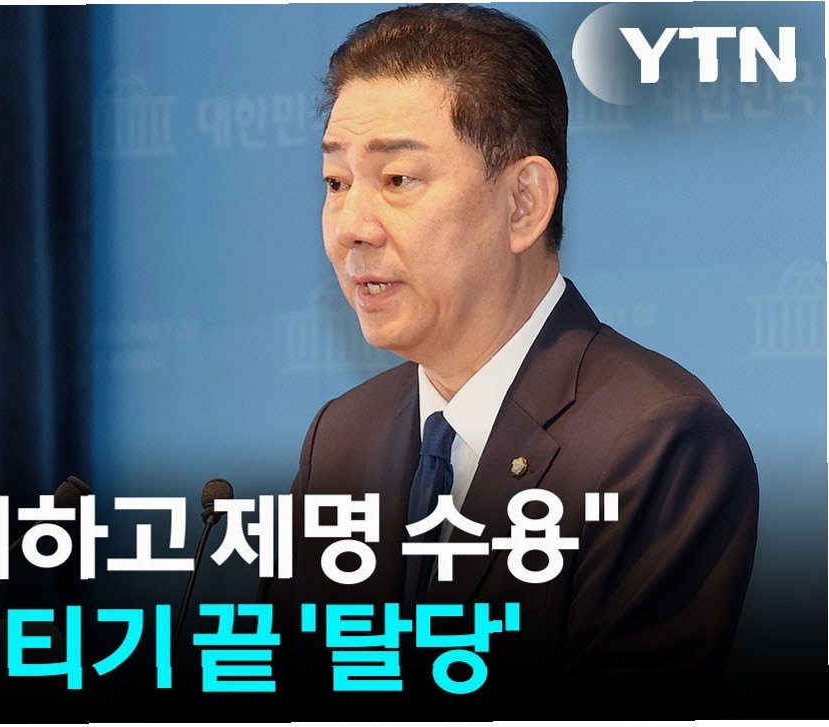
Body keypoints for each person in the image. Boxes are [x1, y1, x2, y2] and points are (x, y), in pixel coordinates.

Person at [262, 4, 759, 718]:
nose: (352, 228)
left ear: (523, 202)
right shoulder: (342, 437)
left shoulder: (655, 442)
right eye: (336, 183)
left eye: (396, 179)